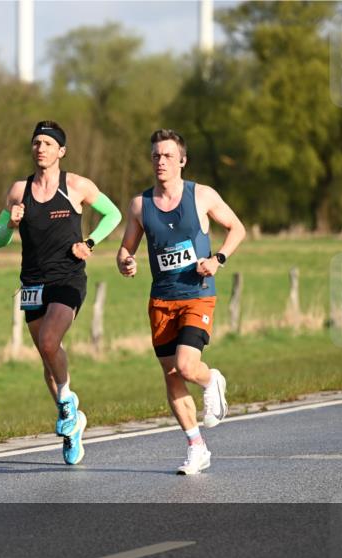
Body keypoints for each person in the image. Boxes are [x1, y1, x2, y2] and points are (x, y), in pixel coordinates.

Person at [116, 128, 246, 475]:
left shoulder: (201, 195)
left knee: (187, 366)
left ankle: (211, 379)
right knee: (171, 373)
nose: (161, 161)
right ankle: (196, 446)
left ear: (182, 161)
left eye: (168, 156)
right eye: (156, 156)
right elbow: (126, 249)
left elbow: (237, 228)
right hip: (161, 299)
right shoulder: (140, 205)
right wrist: (126, 262)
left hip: (197, 294)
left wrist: (218, 259)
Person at [0, 120, 122, 464]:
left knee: (50, 342)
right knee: (48, 359)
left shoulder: (76, 185)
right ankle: (72, 427)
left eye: (48, 143)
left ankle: (67, 402)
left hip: (67, 278)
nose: (41, 148)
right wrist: (10, 223)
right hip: (32, 283)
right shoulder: (18, 190)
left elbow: (113, 214)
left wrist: (90, 242)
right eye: (36, 142)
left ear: (61, 151)